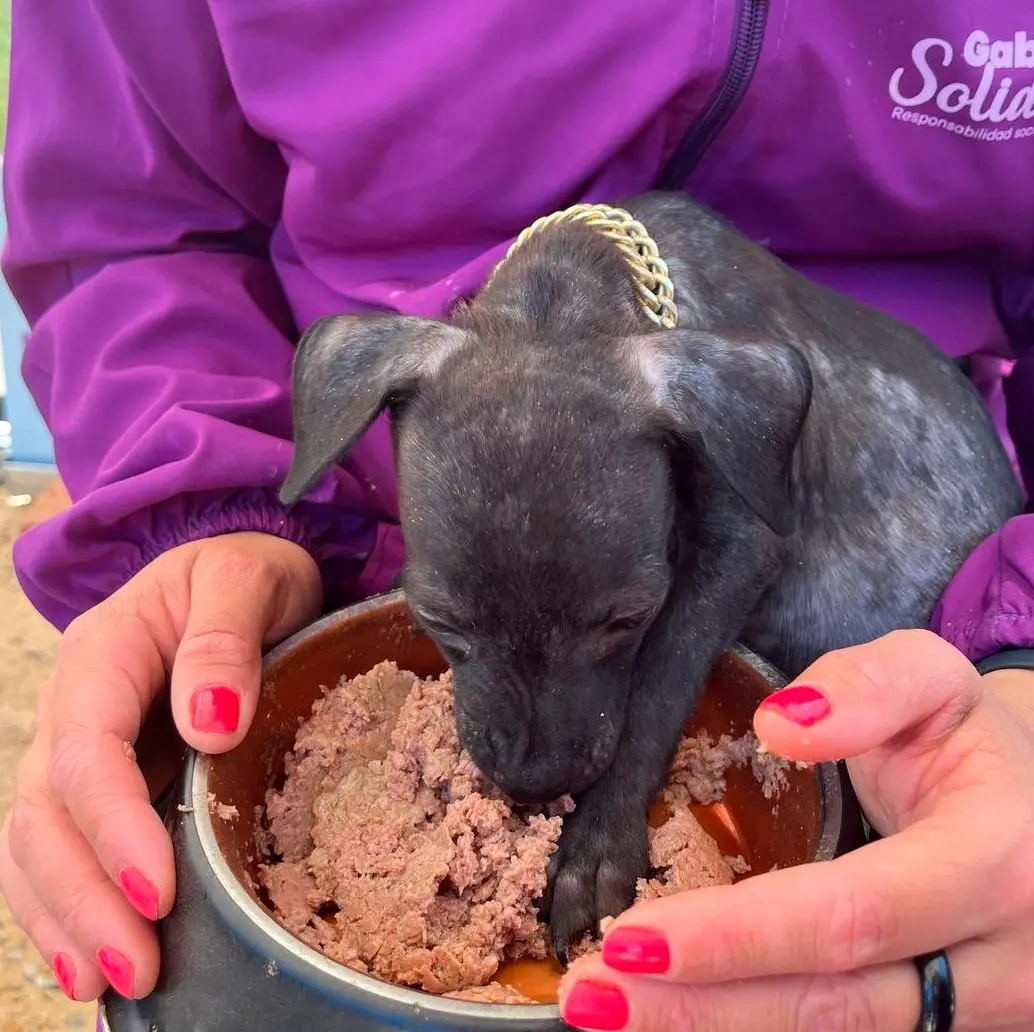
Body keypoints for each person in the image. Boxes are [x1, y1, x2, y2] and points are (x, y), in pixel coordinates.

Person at [0, 2, 1032, 1029]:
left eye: (617, 624)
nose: (529, 768)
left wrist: (1018, 647)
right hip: (372, 563)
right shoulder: (554, 379)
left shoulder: (708, 386)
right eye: (450, 626)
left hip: (944, 676)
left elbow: (742, 544)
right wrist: (206, 502)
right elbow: (129, 217)